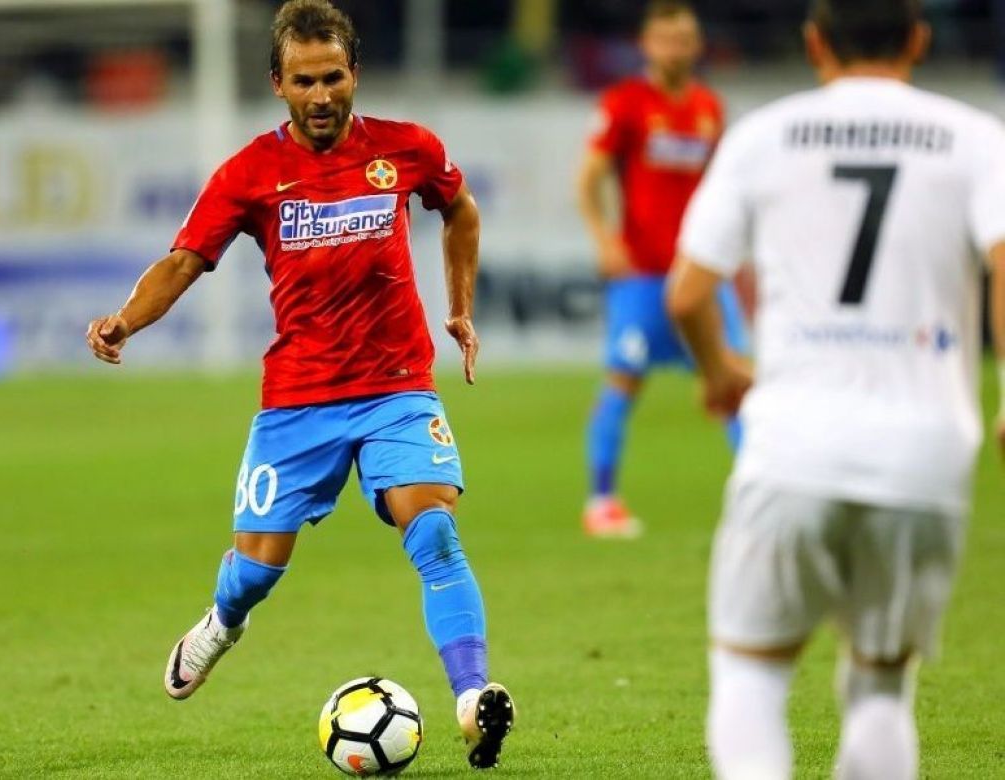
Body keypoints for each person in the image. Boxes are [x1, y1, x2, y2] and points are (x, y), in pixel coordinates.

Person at [84, 0, 514, 769]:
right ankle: (222, 623)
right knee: (254, 574)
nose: (321, 96)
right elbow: (184, 261)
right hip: (299, 399)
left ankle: (471, 698)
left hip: (396, 388)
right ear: (277, 83)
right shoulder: (249, 173)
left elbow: (461, 210)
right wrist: (125, 320)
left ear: (356, 74)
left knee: (435, 532)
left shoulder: (406, 149)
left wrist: (459, 309)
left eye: (334, 78)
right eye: (305, 81)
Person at [668, 0, 1005, 777]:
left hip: (794, 443)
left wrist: (720, 373)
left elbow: (687, 295)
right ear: (918, 40)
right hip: (925, 452)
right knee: (882, 686)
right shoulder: (974, 138)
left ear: (815, 42)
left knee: (751, 675)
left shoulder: (764, 137)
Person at [575, 0, 747, 538]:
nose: (676, 49)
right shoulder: (625, 103)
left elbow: (722, 190)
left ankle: (756, 494)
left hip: (700, 272)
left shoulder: (709, 107)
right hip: (644, 275)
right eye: (666, 39)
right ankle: (602, 500)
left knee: (735, 379)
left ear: (697, 46)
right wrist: (605, 239)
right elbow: (589, 178)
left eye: (684, 40)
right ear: (646, 45)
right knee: (623, 380)